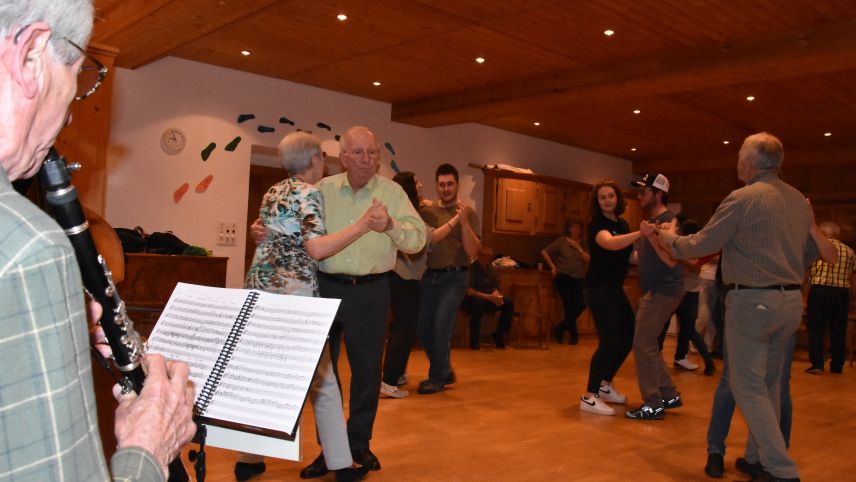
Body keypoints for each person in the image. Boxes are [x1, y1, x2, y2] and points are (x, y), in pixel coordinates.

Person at [0, 2, 196, 481]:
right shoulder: (27, 248)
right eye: (77, 85)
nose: (67, 119)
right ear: (29, 54)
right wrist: (150, 445)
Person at [655, 132, 836, 481]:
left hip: (752, 302)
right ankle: (756, 459)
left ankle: (781, 469)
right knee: (768, 384)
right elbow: (811, 253)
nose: (737, 161)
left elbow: (699, 244)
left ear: (750, 162)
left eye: (739, 155)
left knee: (747, 386)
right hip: (788, 302)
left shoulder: (743, 198)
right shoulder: (799, 200)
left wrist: (663, 236)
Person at [239, 132, 376, 482]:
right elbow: (315, 249)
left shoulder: (273, 191)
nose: (325, 163)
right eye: (324, 158)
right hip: (292, 295)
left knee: (264, 375)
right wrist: (360, 226)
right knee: (324, 379)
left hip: (260, 288)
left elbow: (269, 234)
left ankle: (249, 459)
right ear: (315, 160)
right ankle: (342, 465)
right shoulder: (309, 192)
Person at [301, 126, 425, 476]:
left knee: (367, 373)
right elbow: (298, 231)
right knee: (324, 376)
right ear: (342, 157)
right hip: (325, 288)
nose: (366, 159)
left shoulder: (393, 193)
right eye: (357, 152)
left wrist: (390, 226)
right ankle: (331, 450)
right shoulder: (322, 190)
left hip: (372, 292)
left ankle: (358, 446)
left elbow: (417, 241)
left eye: (372, 153)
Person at [379, 171, 458, 399]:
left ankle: (394, 376)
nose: (421, 184)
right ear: (409, 188)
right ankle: (389, 381)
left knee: (399, 330)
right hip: (404, 278)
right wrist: (456, 220)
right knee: (405, 330)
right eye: (416, 181)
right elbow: (431, 237)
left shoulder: (406, 209)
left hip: (398, 277)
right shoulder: (407, 214)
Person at [415, 163, 481, 394]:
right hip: (430, 276)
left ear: (457, 184)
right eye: (441, 184)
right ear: (436, 185)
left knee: (441, 326)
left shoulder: (468, 213)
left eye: (450, 184)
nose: (445, 188)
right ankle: (444, 370)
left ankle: (436, 378)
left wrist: (462, 222)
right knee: (423, 328)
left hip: (456, 278)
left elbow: (473, 251)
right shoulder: (428, 211)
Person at [579, 180, 640, 416]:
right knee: (609, 339)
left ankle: (604, 384)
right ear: (597, 202)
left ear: (617, 199)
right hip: (597, 288)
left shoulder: (622, 223)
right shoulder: (597, 224)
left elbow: (629, 256)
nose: (607, 200)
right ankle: (589, 395)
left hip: (614, 288)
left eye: (610, 196)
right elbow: (609, 243)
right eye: (602, 197)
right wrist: (639, 233)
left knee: (628, 335)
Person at [626, 173, 684, 420]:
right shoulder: (653, 221)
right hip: (656, 290)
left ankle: (653, 403)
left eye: (644, 191)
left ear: (658, 193)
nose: (640, 196)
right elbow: (641, 259)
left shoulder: (668, 223)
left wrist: (651, 235)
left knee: (642, 344)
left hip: (664, 290)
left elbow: (672, 261)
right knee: (648, 344)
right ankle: (669, 395)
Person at [805, 221, 856, 374]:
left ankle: (817, 365)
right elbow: (853, 279)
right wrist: (854, 297)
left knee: (816, 329)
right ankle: (837, 365)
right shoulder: (850, 251)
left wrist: (804, 294)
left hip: (819, 291)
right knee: (838, 329)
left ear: (824, 233)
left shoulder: (817, 248)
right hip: (841, 293)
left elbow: (807, 273)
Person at [668, 217, 716, 376]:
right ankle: (681, 358)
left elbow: (695, 269)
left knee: (687, 329)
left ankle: (705, 360)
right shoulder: (685, 247)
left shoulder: (694, 249)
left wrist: (678, 259)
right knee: (682, 328)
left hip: (689, 293)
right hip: (681, 292)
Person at [541, 219, 589, 345]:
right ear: (569, 229)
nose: (576, 229)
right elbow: (544, 252)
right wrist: (553, 267)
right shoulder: (562, 241)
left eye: (579, 227)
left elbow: (588, 259)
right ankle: (574, 336)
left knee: (581, 304)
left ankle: (560, 329)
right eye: (574, 227)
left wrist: (579, 248)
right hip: (563, 277)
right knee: (569, 306)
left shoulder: (583, 244)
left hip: (579, 278)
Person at [464, 245, 514, 349]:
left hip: (489, 298)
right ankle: (474, 339)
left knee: (508, 302)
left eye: (488, 257)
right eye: (483, 256)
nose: (485, 259)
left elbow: (495, 287)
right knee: (478, 303)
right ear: (478, 256)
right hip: (473, 299)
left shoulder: (492, 270)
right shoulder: (471, 269)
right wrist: (488, 297)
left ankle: (499, 334)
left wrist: (497, 297)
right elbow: (469, 291)